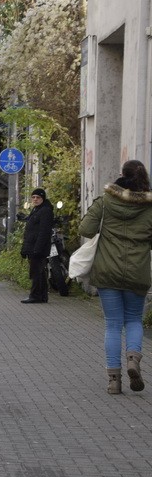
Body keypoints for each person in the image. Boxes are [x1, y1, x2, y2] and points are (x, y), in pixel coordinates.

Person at [78, 159, 152, 395]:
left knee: (112, 325)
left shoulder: (106, 200)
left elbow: (85, 229)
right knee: (133, 320)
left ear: (121, 175)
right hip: (137, 272)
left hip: (107, 270)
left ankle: (114, 381)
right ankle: (133, 358)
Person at [20, 188, 53, 304]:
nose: (35, 199)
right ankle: (42, 296)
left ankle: (35, 295)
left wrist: (37, 249)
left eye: (38, 197)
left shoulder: (45, 211)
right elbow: (30, 230)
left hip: (37, 247)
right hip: (33, 246)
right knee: (39, 272)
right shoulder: (36, 210)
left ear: (43, 198)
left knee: (36, 272)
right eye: (33, 197)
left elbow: (44, 231)